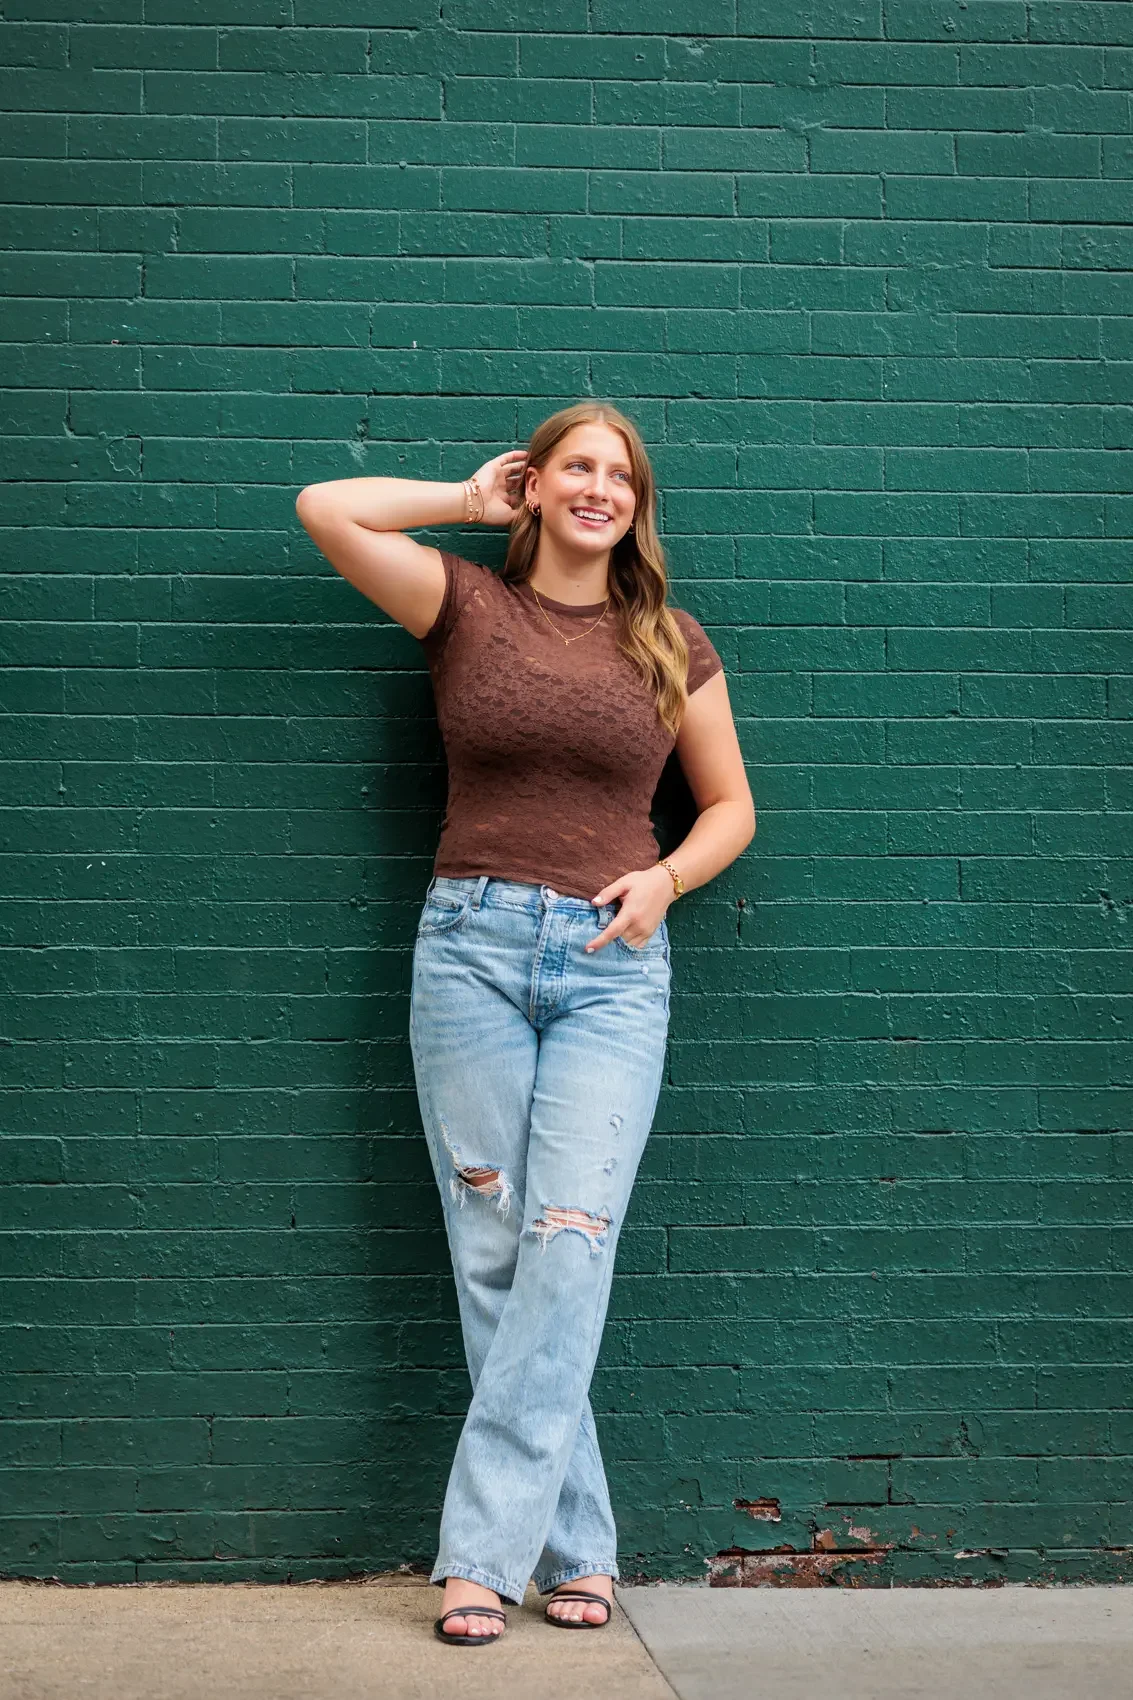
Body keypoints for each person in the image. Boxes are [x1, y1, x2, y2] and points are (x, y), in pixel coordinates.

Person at [296, 402, 755, 1646]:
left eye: (619, 474)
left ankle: (479, 1556)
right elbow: (326, 510)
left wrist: (665, 877)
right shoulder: (463, 605)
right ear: (538, 484)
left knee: (567, 1237)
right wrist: (462, 498)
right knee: (493, 1246)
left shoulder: (668, 638)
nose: (599, 488)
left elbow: (728, 809)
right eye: (576, 468)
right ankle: (579, 1550)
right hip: (470, 954)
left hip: (615, 966)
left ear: (634, 503)